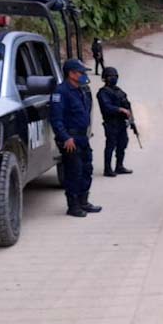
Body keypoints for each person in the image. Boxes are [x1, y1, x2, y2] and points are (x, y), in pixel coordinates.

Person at [50, 59, 102, 218]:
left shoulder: (81, 90)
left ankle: (83, 201)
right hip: (70, 139)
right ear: (71, 74)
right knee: (74, 172)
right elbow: (56, 119)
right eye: (81, 72)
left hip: (82, 137)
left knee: (87, 169)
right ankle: (73, 206)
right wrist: (65, 138)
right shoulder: (61, 92)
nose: (84, 75)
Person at [96, 66, 133, 177]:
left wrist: (132, 121)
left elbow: (127, 105)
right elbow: (106, 107)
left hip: (121, 122)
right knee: (110, 145)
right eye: (111, 76)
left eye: (115, 76)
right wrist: (120, 109)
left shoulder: (119, 91)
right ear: (105, 78)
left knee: (122, 143)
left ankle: (119, 166)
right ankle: (107, 168)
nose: (114, 78)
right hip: (111, 122)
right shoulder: (103, 92)